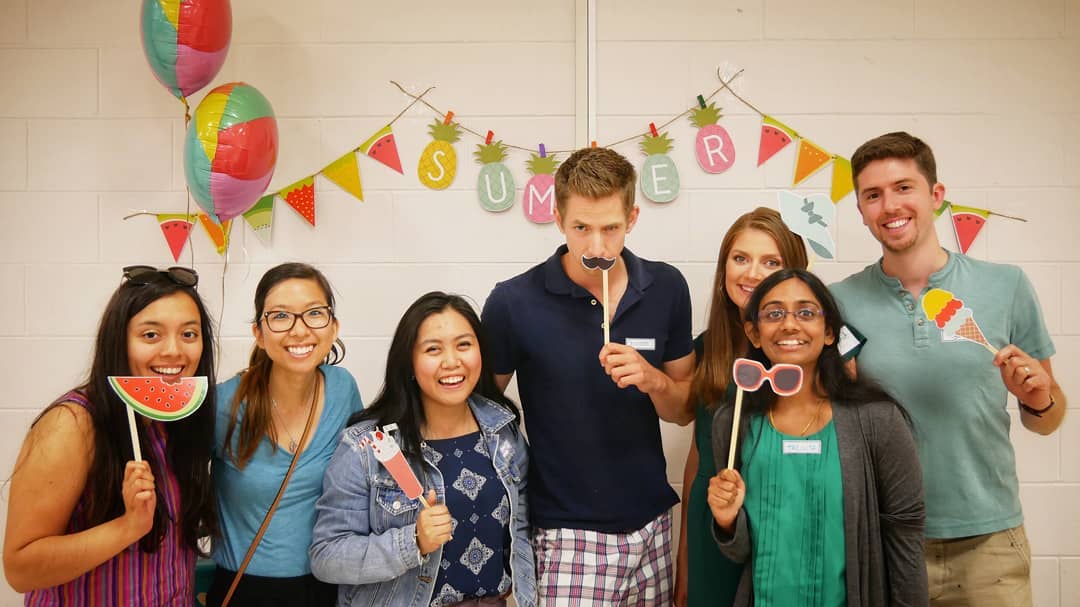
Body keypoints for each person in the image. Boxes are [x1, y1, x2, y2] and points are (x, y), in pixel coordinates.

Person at [830, 131, 1067, 606]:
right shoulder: (838, 302)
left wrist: (1039, 396)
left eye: (903, 187)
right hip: (885, 537)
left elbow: (1049, 417)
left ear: (936, 196)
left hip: (989, 544)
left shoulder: (1006, 285)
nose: (889, 205)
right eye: (872, 195)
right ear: (860, 210)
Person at [481, 146, 694, 605]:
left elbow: (684, 410)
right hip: (564, 531)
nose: (596, 247)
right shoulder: (513, 303)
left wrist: (653, 380)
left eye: (610, 228)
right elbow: (476, 413)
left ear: (632, 218)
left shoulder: (668, 288)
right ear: (557, 219)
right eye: (581, 228)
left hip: (652, 523)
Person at [708, 268, 927, 606]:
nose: (790, 324)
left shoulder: (878, 420)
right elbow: (741, 553)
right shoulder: (734, 422)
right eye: (774, 313)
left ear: (829, 333)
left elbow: (905, 535)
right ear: (754, 332)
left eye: (806, 312)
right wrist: (726, 520)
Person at [3, 265, 218, 604]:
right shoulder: (72, 424)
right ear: (118, 340)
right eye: (151, 335)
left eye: (189, 334)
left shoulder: (172, 420)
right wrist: (128, 527)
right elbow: (21, 570)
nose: (175, 351)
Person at [309, 292, 536, 607]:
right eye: (433, 349)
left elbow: (523, 529)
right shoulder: (365, 447)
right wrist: (412, 542)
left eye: (464, 345)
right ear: (410, 363)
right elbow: (327, 556)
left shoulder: (504, 432)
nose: (452, 361)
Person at [674, 207, 808, 607]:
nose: (751, 273)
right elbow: (698, 457)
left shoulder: (805, 352)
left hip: (782, 529)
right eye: (740, 258)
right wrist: (685, 561)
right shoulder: (704, 349)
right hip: (711, 529)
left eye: (770, 262)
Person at [209, 262, 363, 606]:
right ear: (259, 333)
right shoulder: (224, 404)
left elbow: (361, 480)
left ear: (333, 326)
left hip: (324, 587)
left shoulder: (343, 389)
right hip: (242, 590)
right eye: (280, 316)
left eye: (314, 313)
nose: (299, 330)